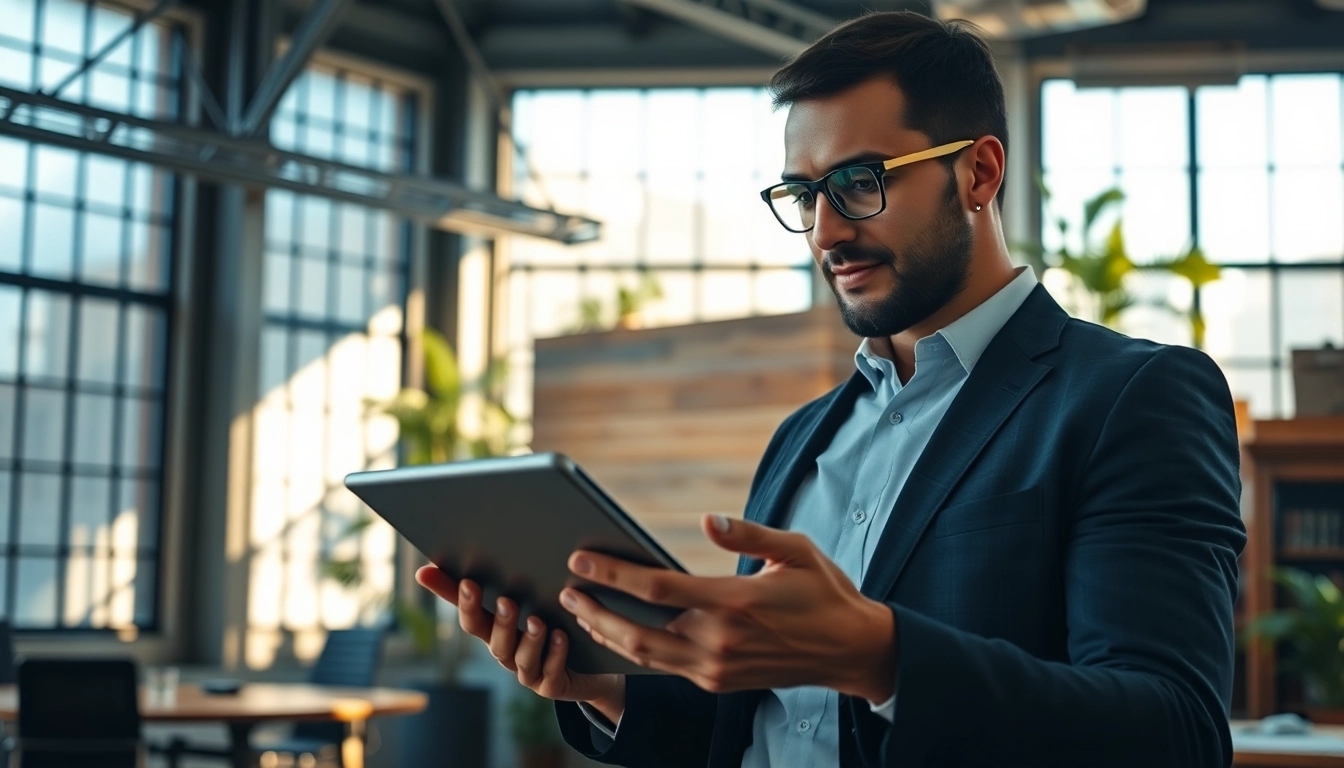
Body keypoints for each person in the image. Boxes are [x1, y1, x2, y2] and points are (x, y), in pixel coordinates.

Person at [417, 10, 1246, 767]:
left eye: (859, 181)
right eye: (803, 194)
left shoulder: (1134, 398)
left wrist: (879, 655)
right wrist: (599, 685)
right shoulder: (803, 436)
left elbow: (1173, 731)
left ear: (980, 173)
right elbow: (756, 725)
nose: (826, 232)